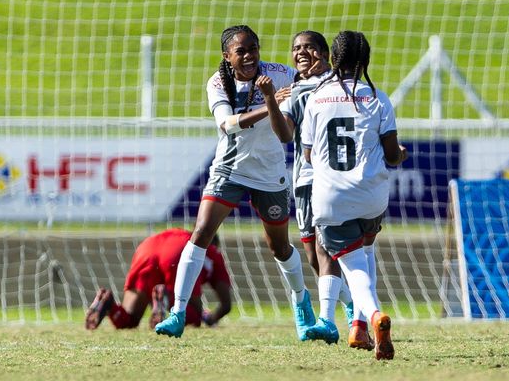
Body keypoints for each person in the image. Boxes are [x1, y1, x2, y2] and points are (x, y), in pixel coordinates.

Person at [155, 25, 315, 341]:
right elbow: (227, 125)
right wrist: (267, 103)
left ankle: (302, 303)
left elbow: (303, 96)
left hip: (269, 172)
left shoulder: (279, 75)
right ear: (227, 56)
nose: (249, 56)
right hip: (229, 169)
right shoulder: (218, 83)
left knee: (279, 246)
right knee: (201, 232)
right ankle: (178, 312)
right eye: (240, 51)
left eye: (253, 48)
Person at [301, 30, 408, 360]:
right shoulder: (378, 98)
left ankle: (374, 315)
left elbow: (306, 155)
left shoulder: (317, 99)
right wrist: (399, 154)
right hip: (372, 195)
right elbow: (391, 155)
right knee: (365, 252)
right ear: (365, 62)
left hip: (332, 197)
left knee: (353, 266)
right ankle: (358, 326)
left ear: (332, 60)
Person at [264, 30, 373, 349]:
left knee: (331, 251)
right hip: (303, 182)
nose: (301, 53)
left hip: (331, 180)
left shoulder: (336, 87)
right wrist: (272, 99)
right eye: (296, 48)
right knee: (314, 254)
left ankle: (341, 317)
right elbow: (286, 134)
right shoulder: (295, 89)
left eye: (309, 47)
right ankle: (354, 309)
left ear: (326, 55)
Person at [84, 228, 231, 330]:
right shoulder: (210, 251)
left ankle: (108, 302)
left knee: (129, 321)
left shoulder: (177, 234)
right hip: (180, 251)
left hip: (147, 248)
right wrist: (210, 318)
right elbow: (226, 305)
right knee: (193, 316)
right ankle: (165, 295)